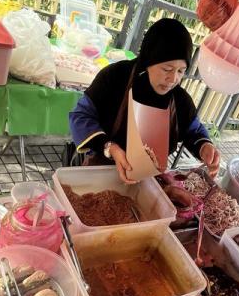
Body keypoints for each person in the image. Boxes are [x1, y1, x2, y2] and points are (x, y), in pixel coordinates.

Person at [68, 18, 220, 184]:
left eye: (181, 71)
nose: (173, 79)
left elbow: (195, 131)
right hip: (102, 171)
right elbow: (81, 116)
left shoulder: (180, 100)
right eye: (167, 69)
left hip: (147, 181)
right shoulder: (115, 77)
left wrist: (204, 146)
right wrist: (109, 147)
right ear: (149, 60)